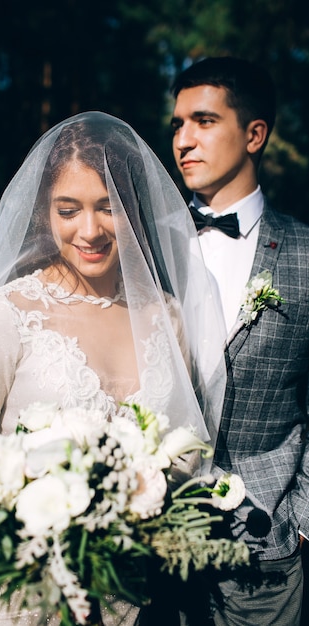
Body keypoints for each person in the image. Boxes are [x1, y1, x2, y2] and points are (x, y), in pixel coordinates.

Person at [0, 111, 227, 625]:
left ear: (132, 210)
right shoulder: (5, 316)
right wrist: (47, 514)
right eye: (67, 209)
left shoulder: (166, 317)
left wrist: (142, 504)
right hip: (30, 597)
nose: (89, 230)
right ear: (43, 214)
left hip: (140, 596)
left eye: (107, 208)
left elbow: (188, 445)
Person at [170, 56, 309, 625]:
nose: (183, 140)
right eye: (177, 125)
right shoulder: (146, 250)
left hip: (266, 551)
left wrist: (302, 517)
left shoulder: (303, 254)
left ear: (255, 134)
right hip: (151, 547)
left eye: (203, 121)